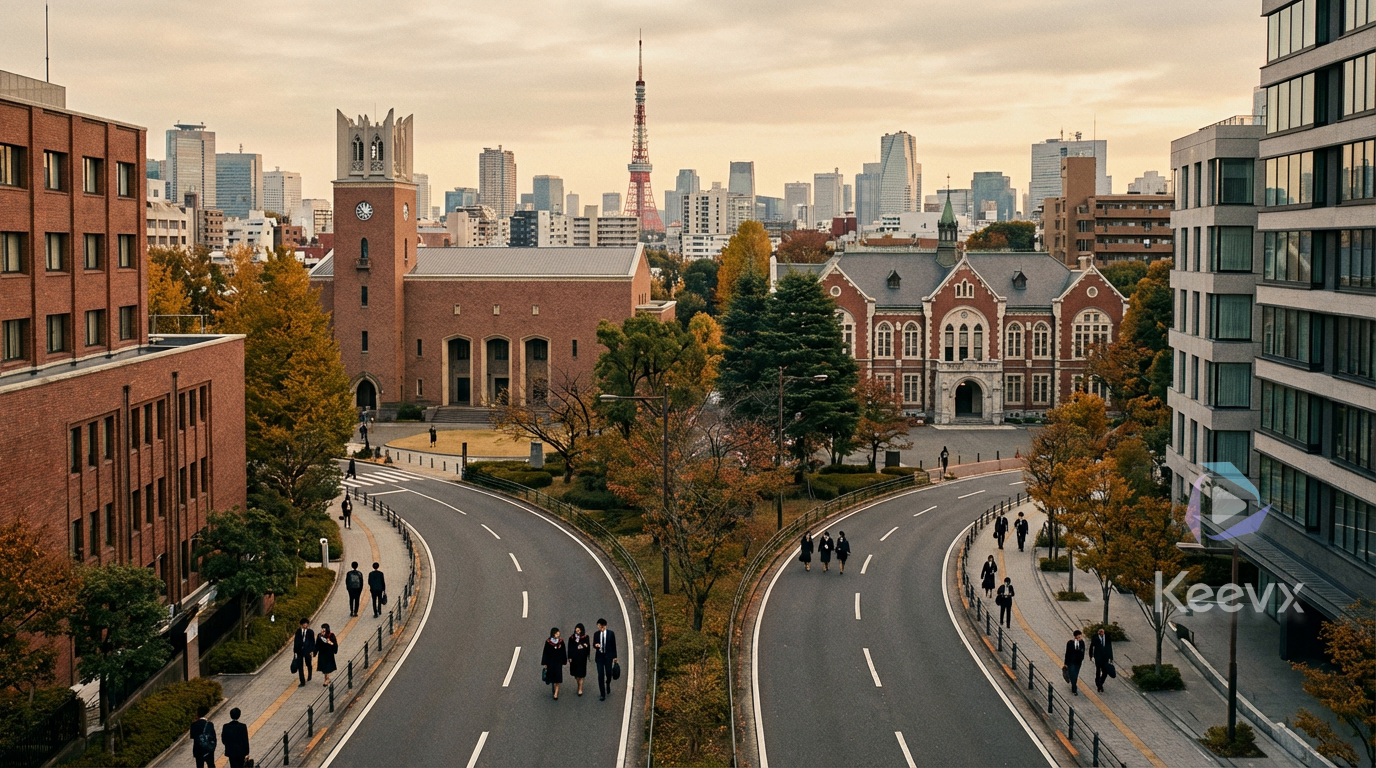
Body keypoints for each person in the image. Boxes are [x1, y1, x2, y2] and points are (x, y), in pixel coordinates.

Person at [593, 618, 619, 701]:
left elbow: (613, 645)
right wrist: (595, 645)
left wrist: (615, 657)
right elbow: (594, 644)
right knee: (600, 675)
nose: (598, 627)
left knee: (608, 673)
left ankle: (608, 683)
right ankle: (602, 694)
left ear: (603, 626)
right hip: (599, 657)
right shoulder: (596, 634)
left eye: (599, 626)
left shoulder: (611, 634)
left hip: (608, 657)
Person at [541, 627, 567, 700]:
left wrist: (564, 660)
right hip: (550, 662)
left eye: (558, 632)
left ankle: (556, 693)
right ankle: (553, 686)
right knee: (552, 677)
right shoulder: (548, 642)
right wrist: (545, 663)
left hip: (558, 662)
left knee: (558, 678)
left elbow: (563, 651)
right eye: (556, 633)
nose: (558, 634)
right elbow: (545, 652)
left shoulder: (561, 642)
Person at [568, 623, 591, 696]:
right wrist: (569, 657)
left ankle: (580, 688)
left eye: (578, 630)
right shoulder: (571, 638)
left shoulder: (585, 637)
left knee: (581, 675)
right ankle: (578, 684)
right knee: (576, 675)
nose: (577, 632)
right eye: (576, 630)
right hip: (574, 659)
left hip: (582, 658)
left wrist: (583, 647)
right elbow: (569, 648)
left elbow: (588, 646)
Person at [1090, 626, 1115, 693]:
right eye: (1100, 631)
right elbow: (1092, 646)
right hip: (1098, 657)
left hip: (1105, 657)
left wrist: (1111, 657)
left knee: (1105, 672)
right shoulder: (1095, 637)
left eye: (1102, 631)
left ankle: (1100, 682)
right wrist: (1091, 655)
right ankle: (1099, 686)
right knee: (1098, 671)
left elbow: (1110, 647)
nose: (1101, 632)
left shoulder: (1107, 637)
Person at [293, 618, 315, 686]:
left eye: (307, 624)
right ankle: (302, 681)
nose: (306, 626)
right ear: (301, 625)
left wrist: (312, 650)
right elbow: (296, 641)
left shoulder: (310, 632)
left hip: (307, 651)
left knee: (308, 663)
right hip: (300, 651)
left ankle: (309, 674)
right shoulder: (298, 632)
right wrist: (295, 651)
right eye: (304, 624)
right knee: (300, 666)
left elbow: (312, 642)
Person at [316, 622, 338, 686]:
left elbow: (334, 644)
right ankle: (326, 677)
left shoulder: (331, 635)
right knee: (324, 666)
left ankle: (326, 679)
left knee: (327, 667)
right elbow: (317, 644)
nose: (323, 630)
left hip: (329, 653)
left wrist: (330, 643)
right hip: (322, 653)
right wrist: (314, 652)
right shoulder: (320, 635)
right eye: (322, 628)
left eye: (324, 629)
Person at [1064, 629, 1086, 695]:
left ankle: (1073, 685)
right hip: (1071, 662)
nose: (1080, 638)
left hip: (1078, 662)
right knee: (1072, 674)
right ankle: (1074, 689)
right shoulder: (1070, 643)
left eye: (1080, 637)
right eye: (1079, 637)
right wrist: (1066, 663)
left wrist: (1081, 658)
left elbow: (1083, 652)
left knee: (1075, 674)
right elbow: (1067, 653)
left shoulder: (1082, 643)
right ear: (1075, 637)